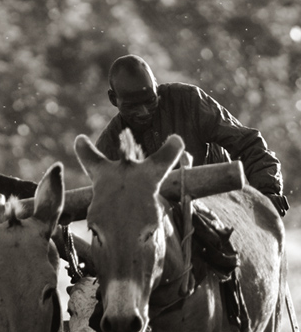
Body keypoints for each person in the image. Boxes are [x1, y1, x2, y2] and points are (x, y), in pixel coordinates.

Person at [95, 54, 289, 216]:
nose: (144, 112)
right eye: (132, 106)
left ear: (156, 86)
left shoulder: (189, 102)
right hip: (155, 227)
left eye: (150, 101)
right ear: (114, 99)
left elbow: (247, 142)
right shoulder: (108, 147)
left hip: (219, 208)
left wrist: (267, 191)